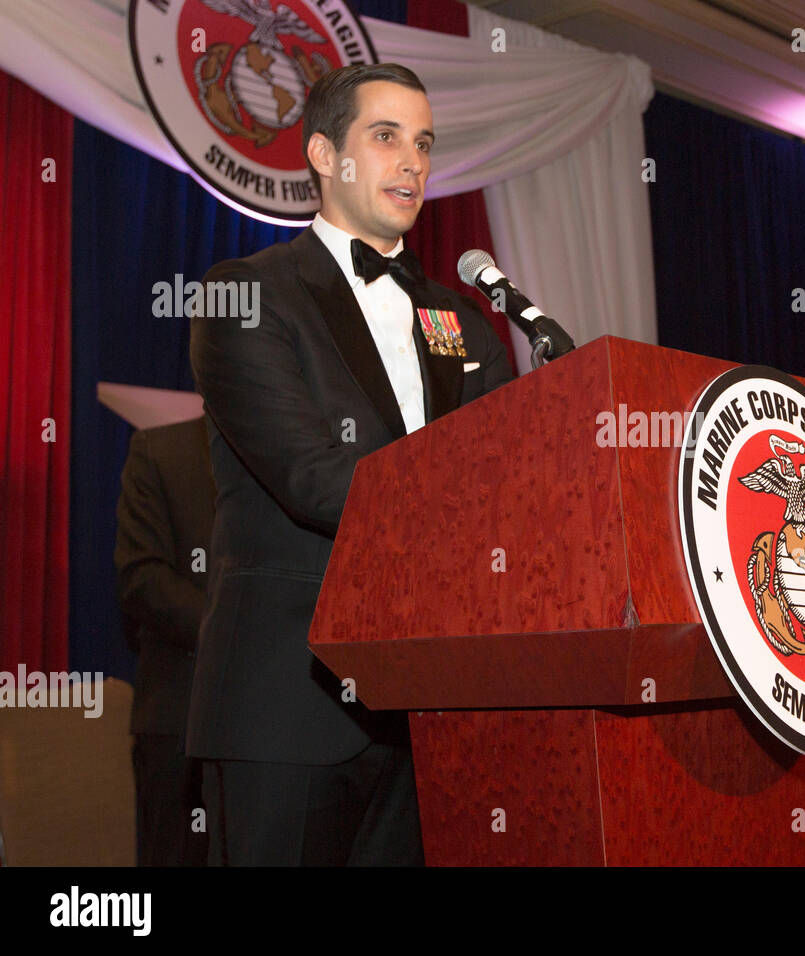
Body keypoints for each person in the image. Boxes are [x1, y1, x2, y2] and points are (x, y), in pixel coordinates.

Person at [187, 63, 513, 865]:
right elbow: (311, 476)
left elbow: (511, 475)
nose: (412, 162)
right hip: (285, 702)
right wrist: (478, 519)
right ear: (324, 156)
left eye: (425, 144)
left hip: (429, 708)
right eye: (386, 137)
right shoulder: (246, 295)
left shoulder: (461, 323)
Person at [114, 416, 214, 867]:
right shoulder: (159, 450)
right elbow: (142, 578)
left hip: (285, 732)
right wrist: (234, 632)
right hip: (180, 720)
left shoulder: (302, 456)